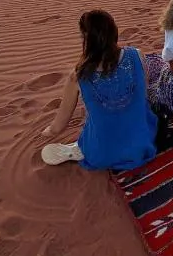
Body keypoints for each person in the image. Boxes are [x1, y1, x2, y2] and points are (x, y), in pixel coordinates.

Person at [41, 10, 158, 169]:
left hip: (101, 154)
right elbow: (143, 97)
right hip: (142, 144)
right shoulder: (137, 56)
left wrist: (47, 132)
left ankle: (88, 146)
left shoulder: (78, 76)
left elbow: (58, 127)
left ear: (86, 39)